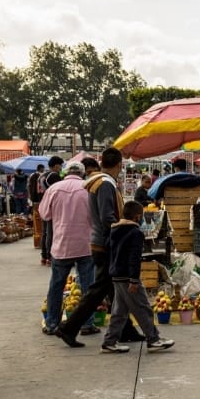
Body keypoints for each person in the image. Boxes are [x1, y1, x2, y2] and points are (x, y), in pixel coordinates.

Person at [55, 147, 144, 348]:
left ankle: (125, 330)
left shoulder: (100, 182)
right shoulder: (104, 184)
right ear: (120, 165)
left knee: (114, 289)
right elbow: (107, 217)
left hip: (102, 240)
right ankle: (68, 327)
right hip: (106, 243)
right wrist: (122, 234)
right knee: (99, 290)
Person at [100, 200, 174, 353]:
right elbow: (134, 257)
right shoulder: (135, 233)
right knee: (143, 308)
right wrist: (134, 279)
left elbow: (108, 249)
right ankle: (153, 339)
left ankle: (109, 341)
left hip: (116, 275)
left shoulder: (114, 230)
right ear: (137, 217)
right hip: (128, 277)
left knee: (119, 311)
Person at [38, 162, 98, 337]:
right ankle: (87, 324)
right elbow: (96, 217)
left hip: (61, 244)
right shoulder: (88, 189)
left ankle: (52, 324)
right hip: (85, 244)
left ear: (65, 173)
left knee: (56, 285)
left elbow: (44, 214)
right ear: (82, 173)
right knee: (88, 287)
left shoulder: (54, 189)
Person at [38, 156, 64, 266]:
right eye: (60, 165)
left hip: (43, 204)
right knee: (51, 232)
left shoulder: (42, 175)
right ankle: (50, 257)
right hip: (52, 205)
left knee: (45, 232)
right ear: (56, 165)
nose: (61, 168)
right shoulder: (54, 176)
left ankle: (44, 256)